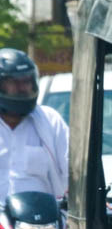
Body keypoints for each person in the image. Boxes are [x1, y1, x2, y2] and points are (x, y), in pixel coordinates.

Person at [0, 49, 68, 203]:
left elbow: (73, 169)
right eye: (14, 83)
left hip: (41, 215)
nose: (23, 88)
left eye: (27, 82)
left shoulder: (50, 120)